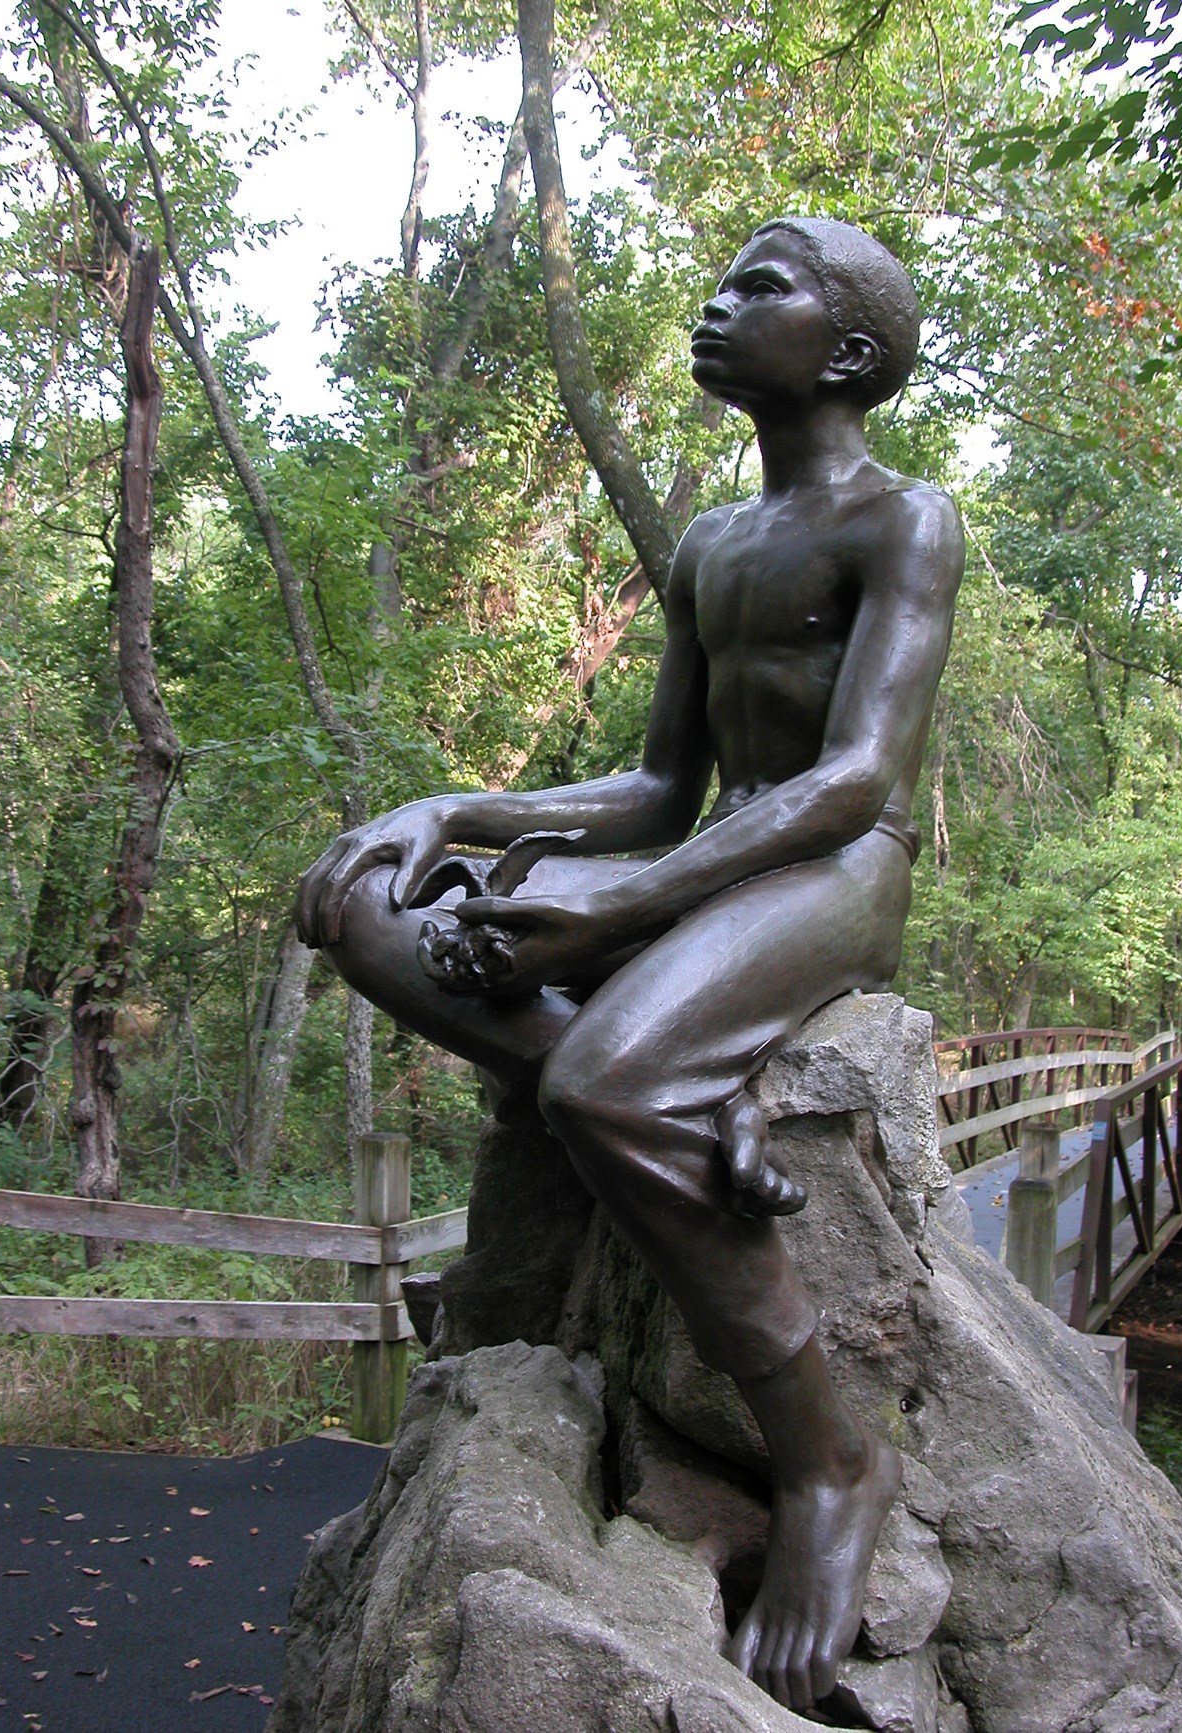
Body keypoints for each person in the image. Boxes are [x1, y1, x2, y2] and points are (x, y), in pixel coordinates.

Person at [295, 215, 964, 1714]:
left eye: (761, 285)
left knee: (599, 1085)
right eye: (723, 279)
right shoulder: (718, 545)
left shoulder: (903, 521)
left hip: (840, 874)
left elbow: (855, 780)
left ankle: (830, 1461)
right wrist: (453, 810)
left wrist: (618, 915)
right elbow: (660, 788)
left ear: (847, 354)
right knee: (365, 905)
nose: (716, 304)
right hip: (718, 855)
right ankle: (683, 1067)